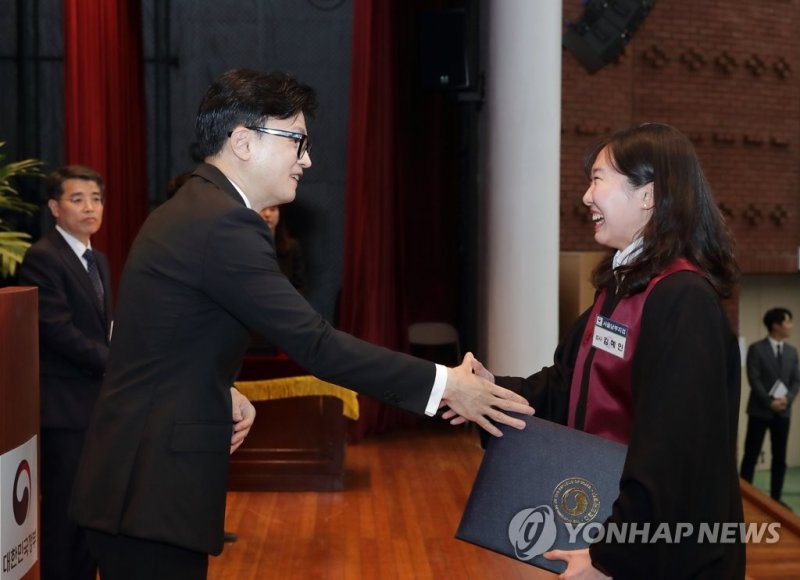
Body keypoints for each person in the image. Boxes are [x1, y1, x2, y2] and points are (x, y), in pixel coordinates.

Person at [69, 68, 532, 579]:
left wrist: (217, 388)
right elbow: (316, 344)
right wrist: (446, 384)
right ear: (243, 141)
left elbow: (163, 343)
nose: (307, 159)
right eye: (297, 141)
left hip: (136, 483)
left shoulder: (194, 208)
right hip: (147, 491)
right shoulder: (223, 222)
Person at [461, 123, 744, 579]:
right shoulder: (620, 287)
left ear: (648, 195)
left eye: (598, 179)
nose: (587, 196)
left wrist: (608, 557)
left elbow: (671, 453)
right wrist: (491, 393)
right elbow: (565, 385)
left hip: (661, 552)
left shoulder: (682, 299)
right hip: (605, 517)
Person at [17, 165, 112, 580]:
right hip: (64, 411)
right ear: (55, 207)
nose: (90, 208)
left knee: (91, 514)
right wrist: (119, 362)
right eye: (78, 199)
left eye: (96, 199)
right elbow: (56, 331)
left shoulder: (99, 259)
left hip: (96, 408)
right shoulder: (43, 256)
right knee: (62, 520)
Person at [740, 307, 799, 507]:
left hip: (783, 412)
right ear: (776, 325)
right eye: (788, 322)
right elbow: (753, 378)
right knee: (751, 455)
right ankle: (744, 499)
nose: (791, 326)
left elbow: (796, 381)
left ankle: (776, 499)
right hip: (760, 411)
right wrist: (769, 401)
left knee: (779, 457)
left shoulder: (792, 352)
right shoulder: (757, 349)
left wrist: (787, 400)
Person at [259, 205, 306, 294]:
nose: (267, 214)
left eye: (273, 209)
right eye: (263, 209)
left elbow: (300, 286)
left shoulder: (292, 246)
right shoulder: (246, 244)